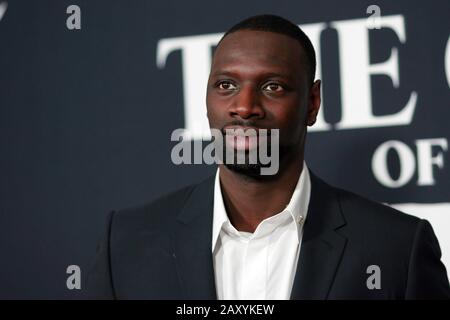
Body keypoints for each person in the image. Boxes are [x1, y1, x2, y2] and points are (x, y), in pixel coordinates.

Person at [87, 14, 450, 299]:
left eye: (272, 86)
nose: (244, 107)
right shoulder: (127, 243)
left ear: (312, 103)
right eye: (226, 85)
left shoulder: (397, 247)